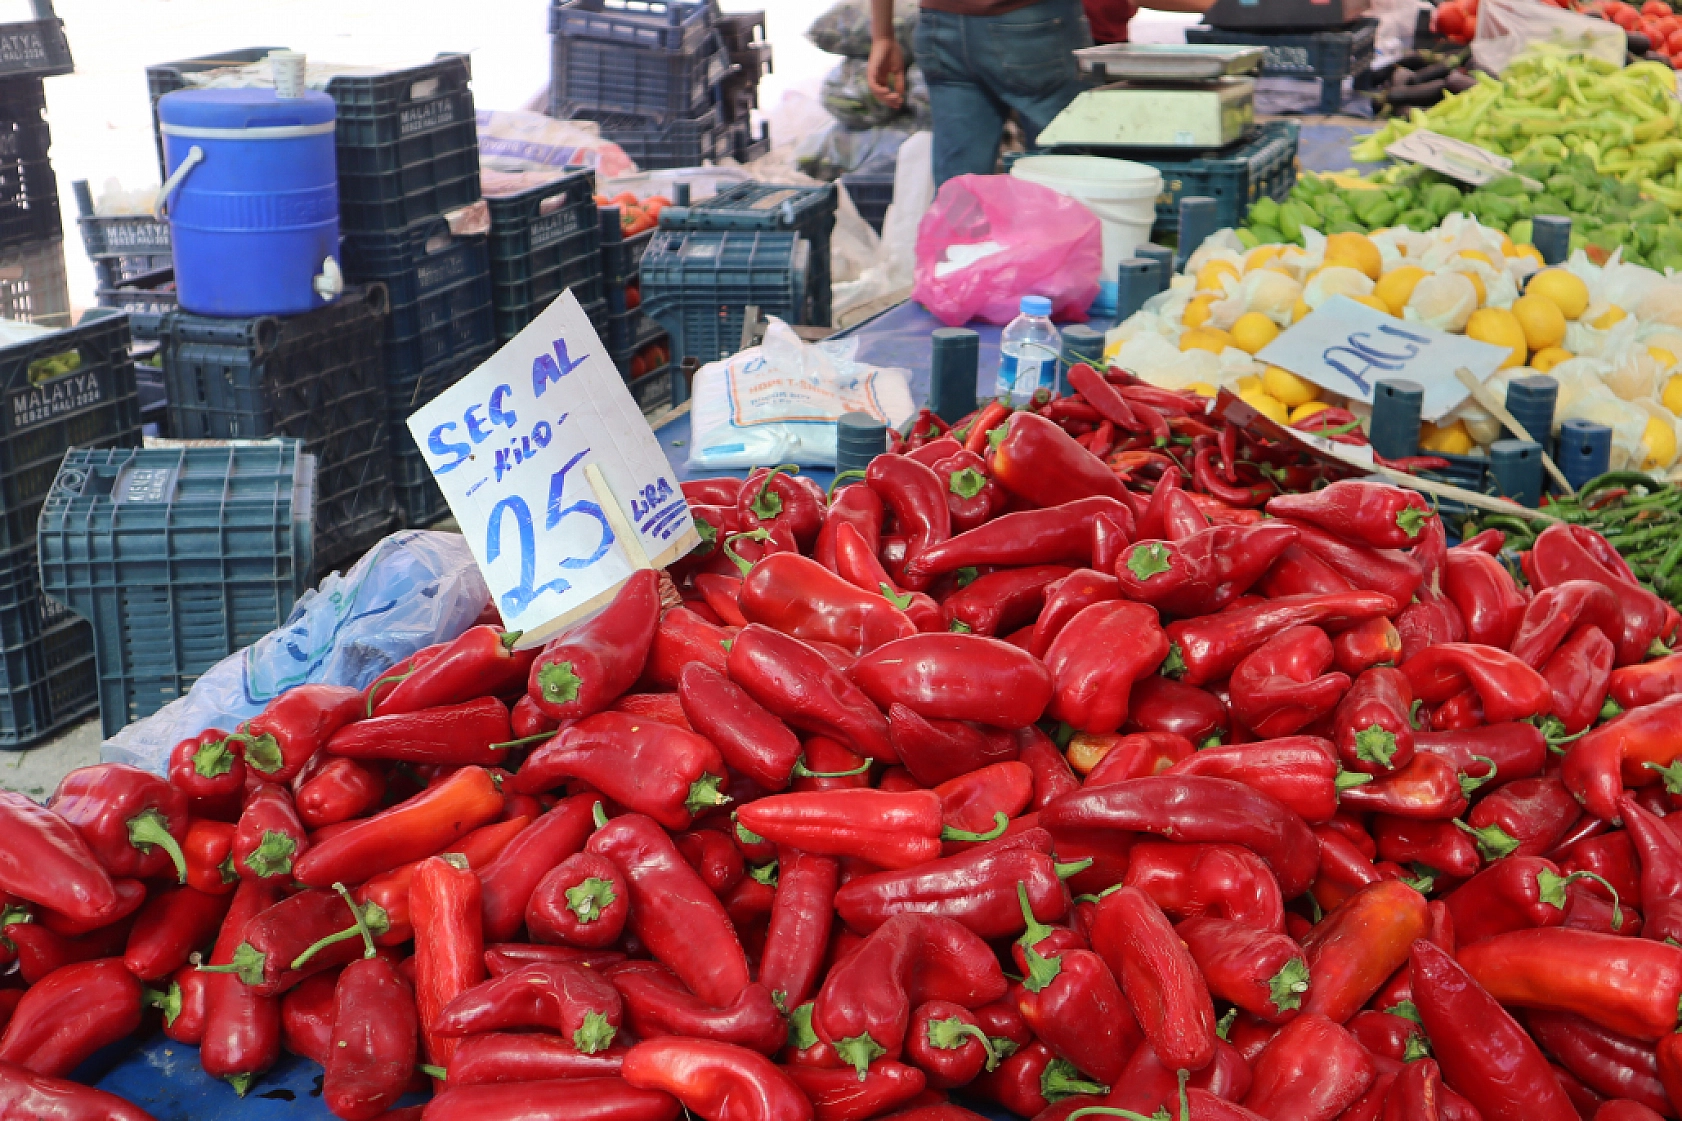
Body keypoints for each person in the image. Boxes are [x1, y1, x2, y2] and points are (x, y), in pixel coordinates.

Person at [867, 0, 1215, 186]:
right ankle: (1052, 299)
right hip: (1028, 23)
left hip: (939, 26)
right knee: (1062, 175)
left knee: (959, 187)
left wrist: (882, 35)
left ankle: (956, 295)